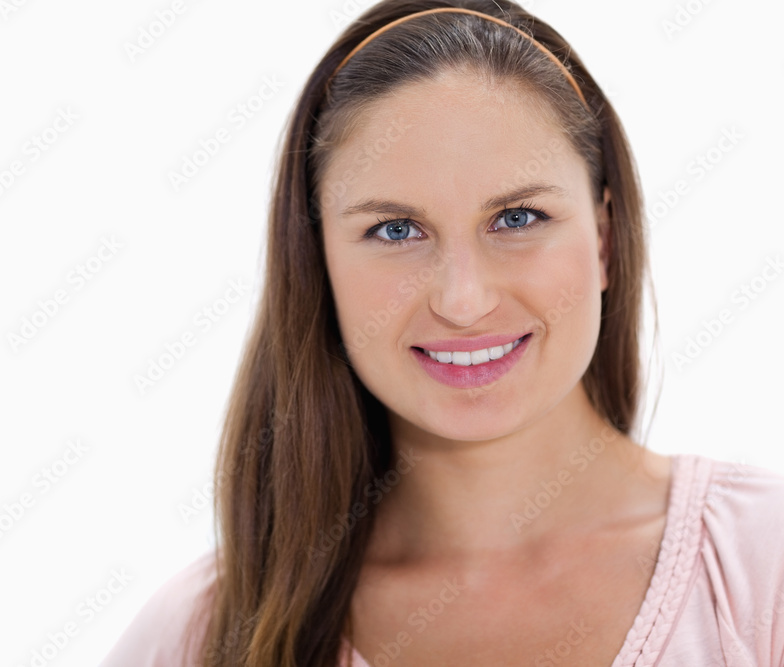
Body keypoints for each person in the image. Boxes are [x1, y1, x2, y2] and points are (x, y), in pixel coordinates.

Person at [101, 1, 784, 665]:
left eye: (517, 218)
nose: (463, 301)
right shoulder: (202, 635)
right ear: (318, 263)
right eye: (396, 230)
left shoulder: (762, 565)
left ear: (604, 240)